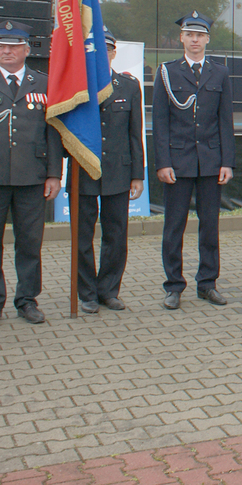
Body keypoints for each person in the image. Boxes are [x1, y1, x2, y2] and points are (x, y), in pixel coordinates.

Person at [153, 12, 234, 310]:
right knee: (174, 226)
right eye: (190, 34)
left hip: (211, 161)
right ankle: (174, 285)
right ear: (181, 38)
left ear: (208, 39)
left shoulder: (220, 73)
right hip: (178, 161)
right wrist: (163, 162)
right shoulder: (167, 72)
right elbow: (160, 121)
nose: (195, 40)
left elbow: (225, 120)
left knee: (209, 226)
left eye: (200, 35)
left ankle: (207, 283)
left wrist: (227, 162)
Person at [76, 28, 143, 314]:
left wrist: (137, 175)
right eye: (94, 49)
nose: (100, 54)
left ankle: (108, 290)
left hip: (118, 170)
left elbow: (135, 134)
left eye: (106, 49)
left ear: (114, 53)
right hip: (84, 170)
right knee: (82, 236)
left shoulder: (128, 86)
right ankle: (87, 293)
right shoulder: (76, 87)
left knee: (116, 235)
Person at [0, 20, 63, 324]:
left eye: (13, 46)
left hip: (32, 177)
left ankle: (27, 300)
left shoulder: (44, 83)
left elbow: (54, 132)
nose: (6, 51)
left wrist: (54, 174)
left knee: (29, 243)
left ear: (27, 49)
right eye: (2, 46)